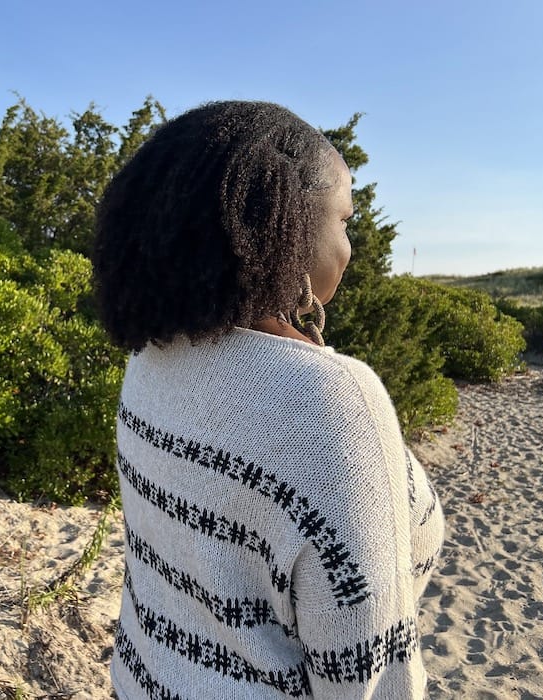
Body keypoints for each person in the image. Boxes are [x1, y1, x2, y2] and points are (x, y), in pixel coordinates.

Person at [93, 101, 444, 699]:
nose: (350, 247)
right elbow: (369, 674)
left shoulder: (151, 359)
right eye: (345, 221)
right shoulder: (331, 405)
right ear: (289, 235)